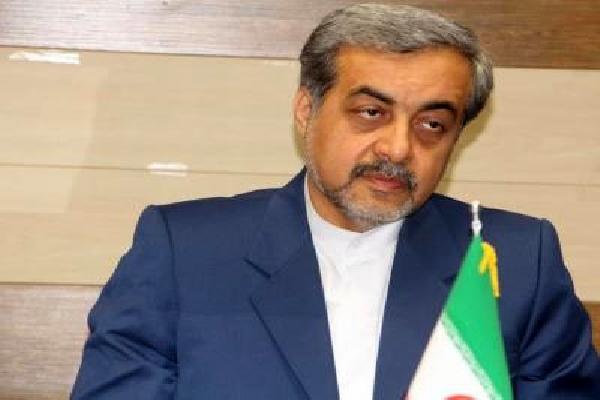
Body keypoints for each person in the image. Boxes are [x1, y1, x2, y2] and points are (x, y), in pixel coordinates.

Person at [71, 4, 600, 399]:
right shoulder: (185, 252)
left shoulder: (514, 260)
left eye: (432, 124)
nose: (398, 148)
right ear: (307, 110)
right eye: (371, 113)